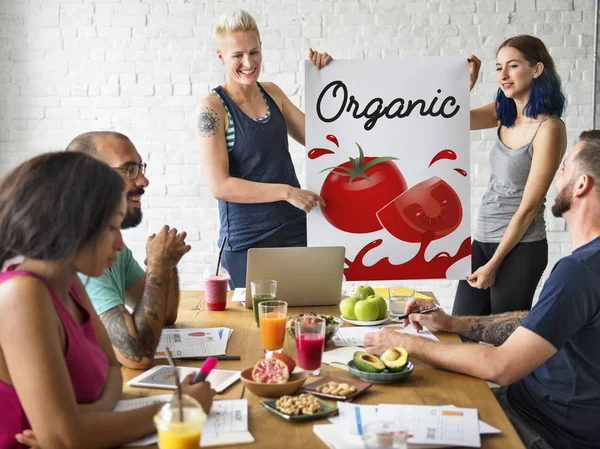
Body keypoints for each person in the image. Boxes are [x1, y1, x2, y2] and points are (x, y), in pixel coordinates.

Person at [365, 130, 600, 449]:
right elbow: (533, 326)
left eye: (563, 169)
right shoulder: (587, 265)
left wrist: (402, 342)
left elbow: (500, 367)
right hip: (536, 410)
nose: (556, 177)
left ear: (582, 184)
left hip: (540, 428)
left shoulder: (579, 271)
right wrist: (453, 324)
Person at [0, 152, 214, 449]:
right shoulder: (21, 295)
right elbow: (65, 437)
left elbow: (112, 372)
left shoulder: (71, 282)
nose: (120, 244)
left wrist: (86, 417)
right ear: (71, 225)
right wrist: (179, 407)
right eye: (112, 228)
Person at [195, 9, 331, 288]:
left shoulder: (273, 93)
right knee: (255, 328)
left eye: (254, 52)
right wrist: (287, 191)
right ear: (221, 56)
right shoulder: (213, 108)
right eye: (237, 55)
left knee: (308, 321)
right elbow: (220, 186)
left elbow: (321, 141)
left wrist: (327, 80)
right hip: (248, 243)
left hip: (295, 231)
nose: (248, 62)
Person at [453, 35, 568, 316]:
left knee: (502, 340)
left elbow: (528, 208)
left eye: (513, 66)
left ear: (536, 69)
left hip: (521, 247)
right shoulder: (502, 113)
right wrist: (465, 85)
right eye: (498, 67)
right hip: (482, 237)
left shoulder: (549, 128)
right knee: (458, 330)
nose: (503, 75)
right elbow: (449, 120)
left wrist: (494, 264)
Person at [66, 131, 191, 369]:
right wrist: (156, 266)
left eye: (140, 168)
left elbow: (164, 315)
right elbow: (137, 356)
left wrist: (165, 265)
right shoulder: (84, 255)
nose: (144, 181)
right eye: (129, 170)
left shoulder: (113, 245)